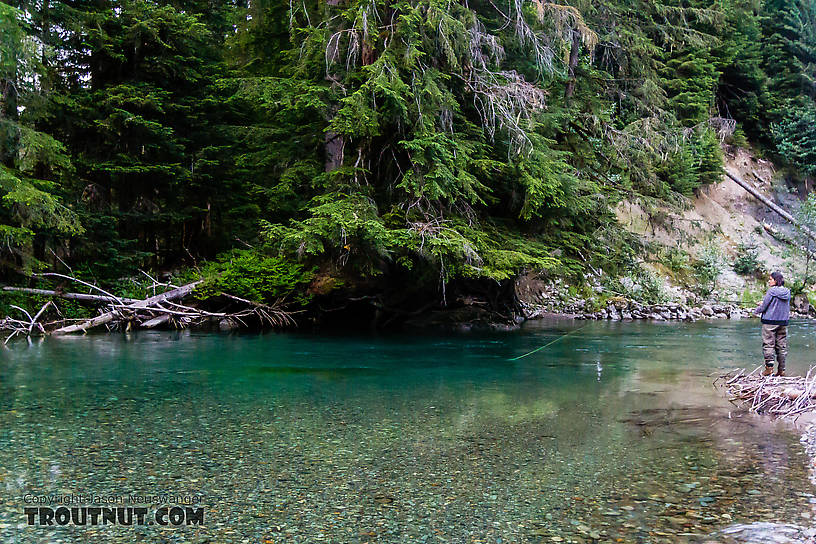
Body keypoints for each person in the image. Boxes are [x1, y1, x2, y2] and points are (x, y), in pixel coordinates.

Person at [753, 271, 791, 376]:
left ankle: (769, 369)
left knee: (768, 345)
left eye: (770, 279)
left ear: (775, 280)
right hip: (783, 322)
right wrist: (764, 302)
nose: (769, 281)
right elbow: (776, 304)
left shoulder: (771, 291)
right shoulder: (787, 292)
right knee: (781, 346)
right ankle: (781, 370)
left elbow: (764, 307)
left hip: (769, 322)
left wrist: (755, 311)